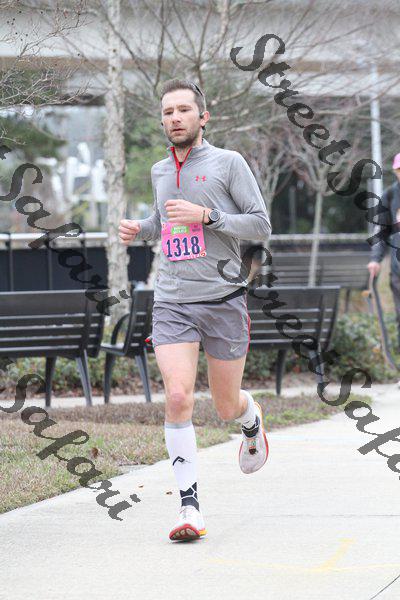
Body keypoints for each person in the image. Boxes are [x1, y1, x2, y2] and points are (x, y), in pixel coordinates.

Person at [119, 79, 271, 542]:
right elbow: (164, 222)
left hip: (223, 299)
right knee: (178, 396)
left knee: (225, 406)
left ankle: (250, 419)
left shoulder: (229, 163)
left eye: (184, 110)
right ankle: (189, 507)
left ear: (203, 117)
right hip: (172, 300)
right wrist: (141, 229)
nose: (175, 118)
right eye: (168, 112)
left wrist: (208, 216)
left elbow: (260, 225)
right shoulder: (159, 170)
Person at [367, 153, 400, 349]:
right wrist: (375, 259)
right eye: (399, 170)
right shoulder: (390, 195)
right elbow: (381, 231)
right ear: (395, 171)